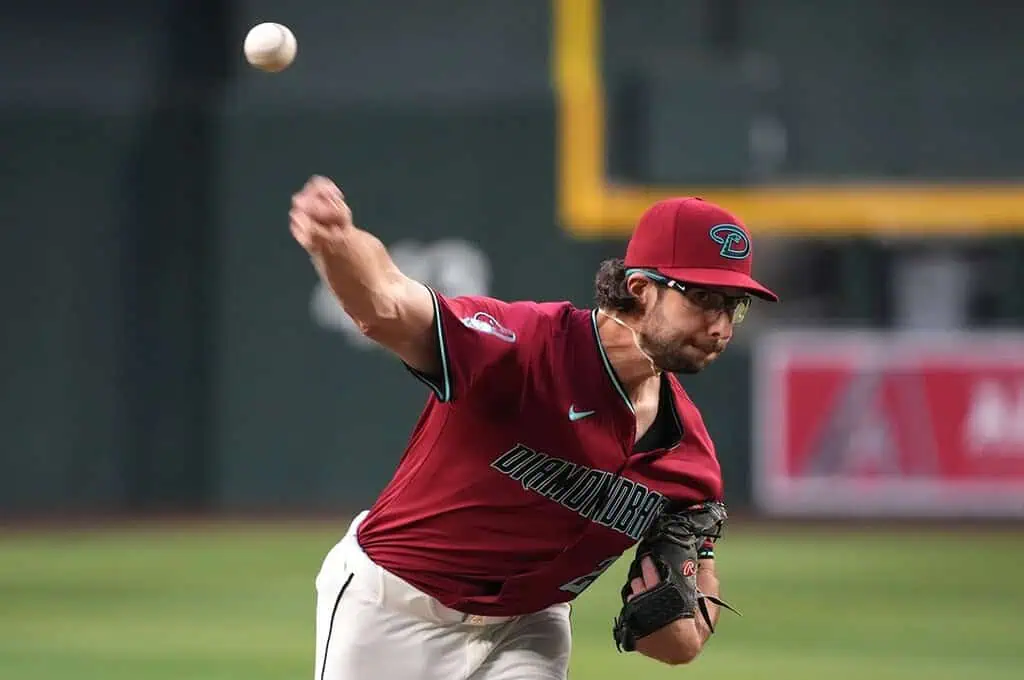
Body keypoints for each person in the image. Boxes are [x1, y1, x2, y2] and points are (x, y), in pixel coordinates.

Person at [289, 176, 778, 680]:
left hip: (528, 629)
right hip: (394, 607)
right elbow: (387, 303)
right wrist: (338, 243)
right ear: (640, 289)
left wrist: (682, 609)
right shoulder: (521, 348)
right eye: (702, 298)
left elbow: (675, 644)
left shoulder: (687, 460)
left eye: (733, 305)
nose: (721, 326)